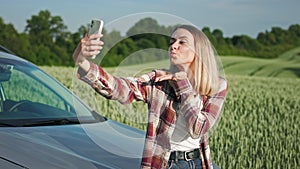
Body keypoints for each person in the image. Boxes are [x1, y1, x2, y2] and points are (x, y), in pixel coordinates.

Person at [73, 24, 228, 169]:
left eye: (182, 42)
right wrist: (81, 61)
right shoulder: (159, 81)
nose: (173, 46)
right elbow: (119, 89)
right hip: (164, 163)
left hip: (199, 162)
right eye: (172, 42)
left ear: (199, 51)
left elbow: (198, 128)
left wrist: (182, 84)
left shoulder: (217, 85)